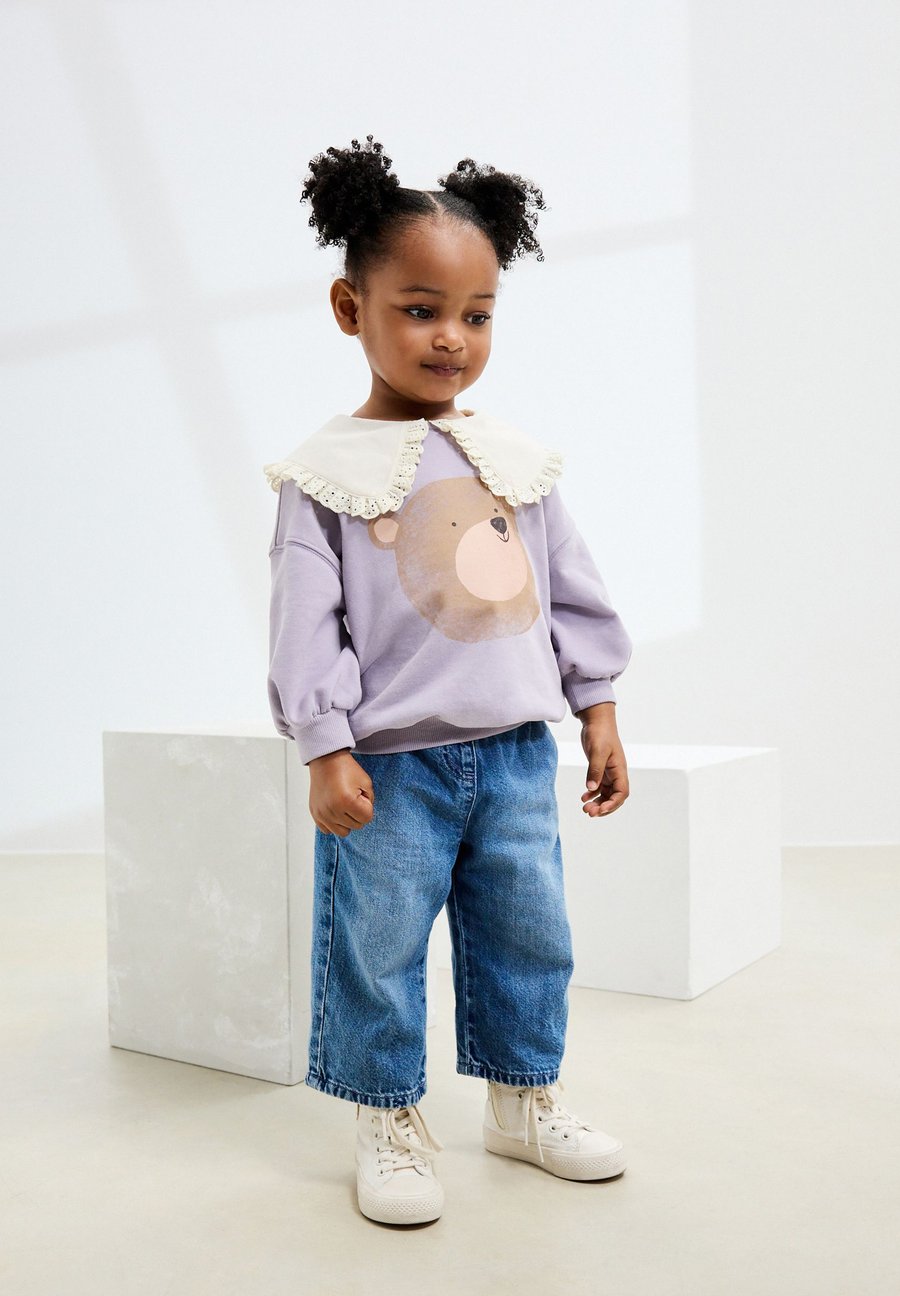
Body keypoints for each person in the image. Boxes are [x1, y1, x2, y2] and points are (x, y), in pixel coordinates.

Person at [264, 135, 634, 1226]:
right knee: (376, 946)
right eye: (420, 309)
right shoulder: (323, 475)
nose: (451, 338)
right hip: (390, 769)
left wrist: (599, 706)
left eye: (476, 315)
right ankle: (387, 1116)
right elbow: (304, 623)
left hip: (515, 754)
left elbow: (571, 590)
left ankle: (524, 1099)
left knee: (531, 934)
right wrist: (325, 744)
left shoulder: (512, 459)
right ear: (351, 307)